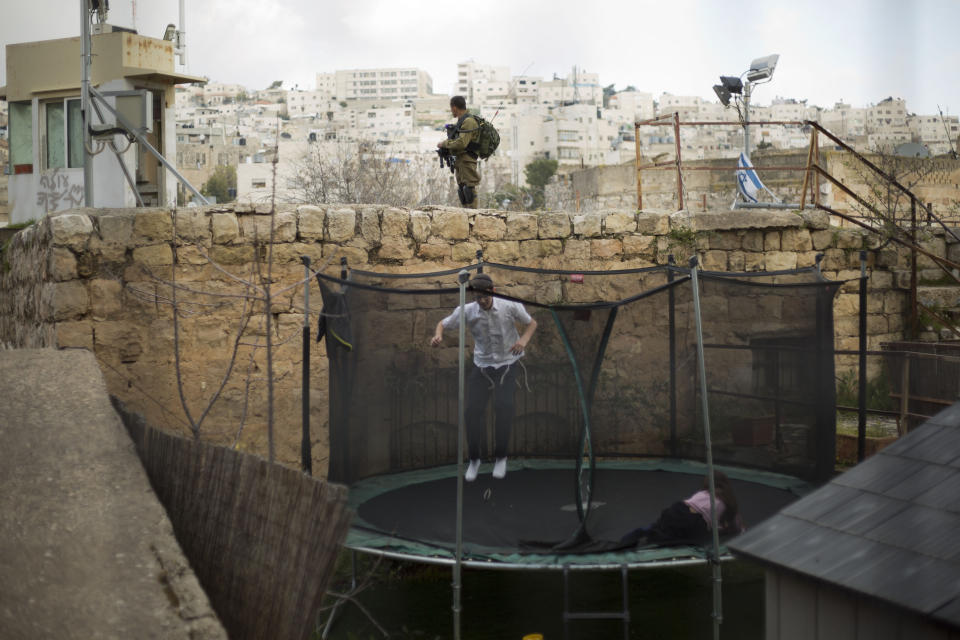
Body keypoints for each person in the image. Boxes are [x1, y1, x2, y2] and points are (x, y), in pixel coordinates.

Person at [430, 273, 537, 481]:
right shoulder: (468, 310)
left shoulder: (509, 305)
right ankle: (474, 459)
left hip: (507, 362)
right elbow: (443, 323)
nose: (482, 302)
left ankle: (501, 457)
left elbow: (532, 323)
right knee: (472, 411)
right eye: (478, 298)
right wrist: (438, 335)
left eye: (485, 298)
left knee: (503, 406)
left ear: (493, 292)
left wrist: (523, 340)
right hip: (483, 365)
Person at [621, 471, 745, 546]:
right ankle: (656, 537)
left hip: (677, 508)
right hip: (693, 519)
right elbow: (735, 523)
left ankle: (646, 534)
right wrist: (742, 532)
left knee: (660, 527)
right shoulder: (727, 501)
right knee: (695, 538)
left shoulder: (703, 493)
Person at [437, 95, 482, 209]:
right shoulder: (461, 122)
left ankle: (474, 217)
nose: (451, 110)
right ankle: (467, 218)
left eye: (451, 108)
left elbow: (462, 143)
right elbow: (457, 141)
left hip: (467, 160)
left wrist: (445, 144)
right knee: (462, 191)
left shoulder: (468, 121)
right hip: (460, 160)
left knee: (469, 189)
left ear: (455, 107)